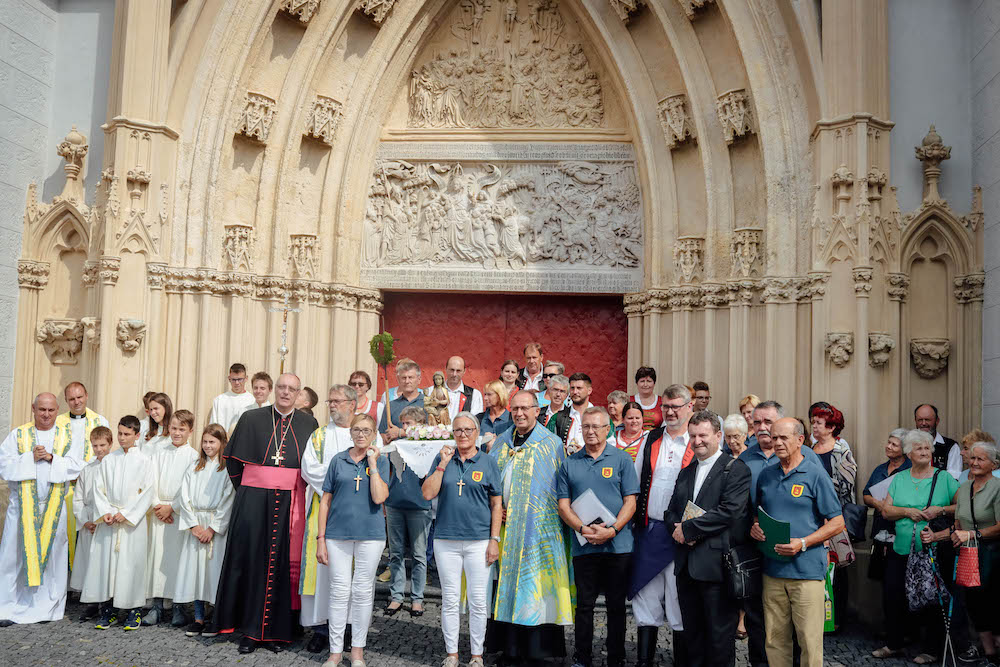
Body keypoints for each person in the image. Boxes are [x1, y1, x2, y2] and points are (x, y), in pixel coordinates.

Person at [214, 373, 320, 654]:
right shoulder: (251, 419)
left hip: (291, 504)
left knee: (283, 566)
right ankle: (249, 632)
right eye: (282, 387)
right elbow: (234, 464)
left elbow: (313, 466)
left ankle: (278, 632)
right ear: (274, 390)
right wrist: (254, 490)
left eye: (292, 389)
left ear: (299, 394)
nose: (286, 393)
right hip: (253, 503)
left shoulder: (309, 423)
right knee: (251, 562)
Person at [486, 391, 573, 665]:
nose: (520, 413)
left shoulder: (552, 444)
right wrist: (494, 509)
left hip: (540, 532)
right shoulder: (500, 442)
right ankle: (509, 649)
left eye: (525, 408)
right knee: (506, 586)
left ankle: (537, 651)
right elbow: (491, 484)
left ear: (538, 410)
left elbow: (560, 489)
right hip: (506, 530)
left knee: (534, 588)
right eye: (515, 409)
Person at [751, 418, 845, 667]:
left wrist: (803, 542)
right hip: (772, 571)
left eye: (784, 437)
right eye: (774, 437)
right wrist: (755, 527)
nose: (778, 442)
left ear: (800, 440)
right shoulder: (766, 475)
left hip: (806, 572)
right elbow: (757, 513)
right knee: (775, 640)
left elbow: (837, 522)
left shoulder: (815, 475)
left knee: (809, 642)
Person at [666, 409, 752, 667]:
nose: (697, 441)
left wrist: (689, 530)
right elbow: (671, 510)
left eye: (703, 435)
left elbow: (730, 512)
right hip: (686, 566)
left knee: (718, 638)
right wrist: (676, 528)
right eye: (692, 436)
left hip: (716, 566)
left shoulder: (736, 469)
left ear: (718, 435)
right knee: (691, 635)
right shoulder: (687, 471)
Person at [556, 406, 638, 667]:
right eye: (586, 427)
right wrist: (582, 529)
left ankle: (615, 657)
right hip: (584, 545)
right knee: (584, 606)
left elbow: (631, 502)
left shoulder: (622, 460)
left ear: (607, 429)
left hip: (618, 545)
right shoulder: (570, 463)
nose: (590, 431)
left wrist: (611, 530)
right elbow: (563, 505)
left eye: (596, 426)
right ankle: (582, 657)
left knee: (616, 606)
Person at [422, 412, 502, 667]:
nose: (463, 435)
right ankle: (452, 653)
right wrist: (442, 464)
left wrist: (494, 539)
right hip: (446, 539)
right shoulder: (443, 457)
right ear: (452, 433)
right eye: (458, 431)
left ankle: (477, 654)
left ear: (477, 433)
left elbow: (496, 503)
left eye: (468, 430)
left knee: (479, 600)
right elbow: (427, 493)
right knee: (450, 598)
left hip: (479, 540)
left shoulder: (488, 462)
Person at [873, 429, 960, 663]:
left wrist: (940, 510)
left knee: (932, 598)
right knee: (893, 596)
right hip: (900, 548)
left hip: (931, 550)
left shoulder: (944, 478)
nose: (924, 452)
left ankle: (931, 649)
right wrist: (906, 512)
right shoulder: (900, 478)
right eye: (919, 448)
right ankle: (894, 644)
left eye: (927, 448)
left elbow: (962, 506)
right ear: (909, 453)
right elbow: (886, 510)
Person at [0, 393, 85, 625]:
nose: (46, 415)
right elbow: (4, 465)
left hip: (53, 508)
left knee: (53, 558)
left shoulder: (68, 436)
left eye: (50, 410)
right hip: (21, 508)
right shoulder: (18, 435)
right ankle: (7, 608)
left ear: (57, 410)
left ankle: (48, 608)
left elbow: (78, 465)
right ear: (33, 409)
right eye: (41, 410)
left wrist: (50, 458)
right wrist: (29, 457)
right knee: (13, 557)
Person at [316, 413, 389, 667]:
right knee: (338, 592)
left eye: (366, 430)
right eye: (357, 430)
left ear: (374, 435)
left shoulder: (382, 461)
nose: (361, 434)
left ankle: (357, 651)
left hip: (371, 535)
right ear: (350, 433)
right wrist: (320, 539)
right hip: (337, 535)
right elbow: (325, 501)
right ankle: (335, 652)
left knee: (362, 592)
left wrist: (374, 464)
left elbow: (380, 498)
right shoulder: (338, 460)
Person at [631, 384, 696, 667]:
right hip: (650, 530)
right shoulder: (651, 438)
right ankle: (644, 661)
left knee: (679, 598)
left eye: (676, 407)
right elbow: (636, 483)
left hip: (684, 535)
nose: (670, 412)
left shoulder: (698, 441)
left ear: (689, 407)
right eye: (666, 407)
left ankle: (682, 661)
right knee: (645, 595)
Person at [82, 415, 155, 632]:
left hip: (132, 524)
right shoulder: (110, 460)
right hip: (110, 521)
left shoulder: (144, 461)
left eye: (126, 434)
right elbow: (99, 488)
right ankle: (110, 609)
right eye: (120, 433)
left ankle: (133, 611)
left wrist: (128, 514)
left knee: (131, 566)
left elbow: (148, 492)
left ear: (137, 435)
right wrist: (106, 511)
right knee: (108, 566)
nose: (122, 438)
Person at [301, 384, 358, 653]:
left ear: (352, 404)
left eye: (337, 401)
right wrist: (340, 482)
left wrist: (341, 479)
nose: (332, 405)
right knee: (324, 572)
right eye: (330, 401)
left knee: (352, 572)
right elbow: (309, 468)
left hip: (356, 514)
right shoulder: (319, 436)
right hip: (323, 509)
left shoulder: (364, 433)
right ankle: (322, 629)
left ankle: (348, 629)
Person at [174, 424, 235, 637]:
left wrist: (212, 528)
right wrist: (194, 525)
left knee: (214, 573)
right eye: (205, 441)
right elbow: (184, 497)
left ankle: (215, 618)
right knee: (196, 573)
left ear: (222, 443)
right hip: (197, 525)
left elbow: (229, 499)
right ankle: (198, 617)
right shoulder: (194, 467)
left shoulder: (226, 468)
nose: (208, 445)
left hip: (214, 528)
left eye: (213, 442)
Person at [143, 409, 200, 627]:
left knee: (176, 561)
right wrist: (157, 504)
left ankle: (178, 608)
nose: (176, 433)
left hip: (177, 516)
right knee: (156, 559)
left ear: (190, 431)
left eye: (181, 429)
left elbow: (188, 489)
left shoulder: (194, 457)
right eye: (174, 428)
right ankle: (156, 607)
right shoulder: (159, 452)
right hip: (159, 513)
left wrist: (172, 508)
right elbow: (150, 480)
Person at [950, 441, 1000, 665]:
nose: (975, 463)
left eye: (981, 459)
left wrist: (971, 535)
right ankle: (989, 654)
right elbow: (959, 522)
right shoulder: (963, 489)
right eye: (972, 458)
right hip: (970, 556)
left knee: (992, 603)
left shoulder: (998, 487)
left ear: (993, 464)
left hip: (994, 555)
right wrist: (948, 534)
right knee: (974, 603)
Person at [381, 401, 432, 617]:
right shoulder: (396, 445)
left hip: (419, 505)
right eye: (401, 423)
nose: (402, 427)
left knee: (419, 555)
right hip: (394, 503)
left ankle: (418, 598)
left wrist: (404, 432)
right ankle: (397, 596)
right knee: (396, 553)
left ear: (419, 425)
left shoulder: (428, 444)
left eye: (408, 424)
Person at [808, 403, 856, 628]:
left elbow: (847, 486)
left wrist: (818, 486)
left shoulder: (841, 452)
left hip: (833, 519)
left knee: (837, 572)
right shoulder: (807, 449)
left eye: (819, 423)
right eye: (813, 422)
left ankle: (836, 620)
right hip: (810, 519)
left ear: (832, 427)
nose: (814, 426)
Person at [862, 428, 912, 611]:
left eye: (894, 444)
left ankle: (905, 631)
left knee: (901, 582)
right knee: (883, 580)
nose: (888, 447)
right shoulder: (880, 469)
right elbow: (866, 494)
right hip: (880, 531)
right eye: (888, 442)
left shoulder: (910, 470)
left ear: (905, 449)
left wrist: (891, 507)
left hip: (901, 533)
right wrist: (878, 503)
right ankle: (888, 628)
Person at [69, 425, 113, 618]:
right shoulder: (88, 470)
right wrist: (86, 521)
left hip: (106, 523)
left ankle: (107, 601)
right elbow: (77, 498)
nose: (99, 449)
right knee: (89, 563)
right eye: (95, 445)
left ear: (110, 444)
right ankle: (91, 602)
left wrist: (102, 518)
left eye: (102, 445)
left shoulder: (115, 466)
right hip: (89, 522)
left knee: (104, 564)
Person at [549, 372, 596, 454]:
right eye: (572, 388)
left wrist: (586, 452)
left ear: (589, 390)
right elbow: (546, 444)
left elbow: (610, 447)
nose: (575, 392)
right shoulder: (557, 417)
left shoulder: (601, 417)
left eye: (579, 388)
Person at [914, 403, 962, 479]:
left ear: (937, 421)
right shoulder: (909, 445)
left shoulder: (951, 446)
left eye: (927, 420)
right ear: (915, 421)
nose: (923, 423)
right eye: (920, 420)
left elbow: (953, 478)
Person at [208, 363, 256, 432]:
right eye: (233, 379)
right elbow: (214, 428)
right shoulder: (219, 400)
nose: (237, 383)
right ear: (229, 379)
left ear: (246, 379)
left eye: (240, 379)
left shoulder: (252, 401)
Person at [476, 380, 512, 451]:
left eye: (489, 395)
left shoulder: (512, 419)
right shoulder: (478, 418)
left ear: (499, 395)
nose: (485, 398)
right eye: (485, 394)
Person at [444, 356, 484, 420]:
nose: (454, 374)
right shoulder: (431, 391)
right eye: (452, 370)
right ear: (445, 369)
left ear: (464, 371)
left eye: (458, 371)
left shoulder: (474, 395)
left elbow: (475, 421)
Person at [632, 366, 662, 431]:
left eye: (649, 381)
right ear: (637, 383)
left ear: (654, 383)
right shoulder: (629, 401)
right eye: (642, 381)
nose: (645, 384)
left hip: (656, 439)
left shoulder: (662, 402)